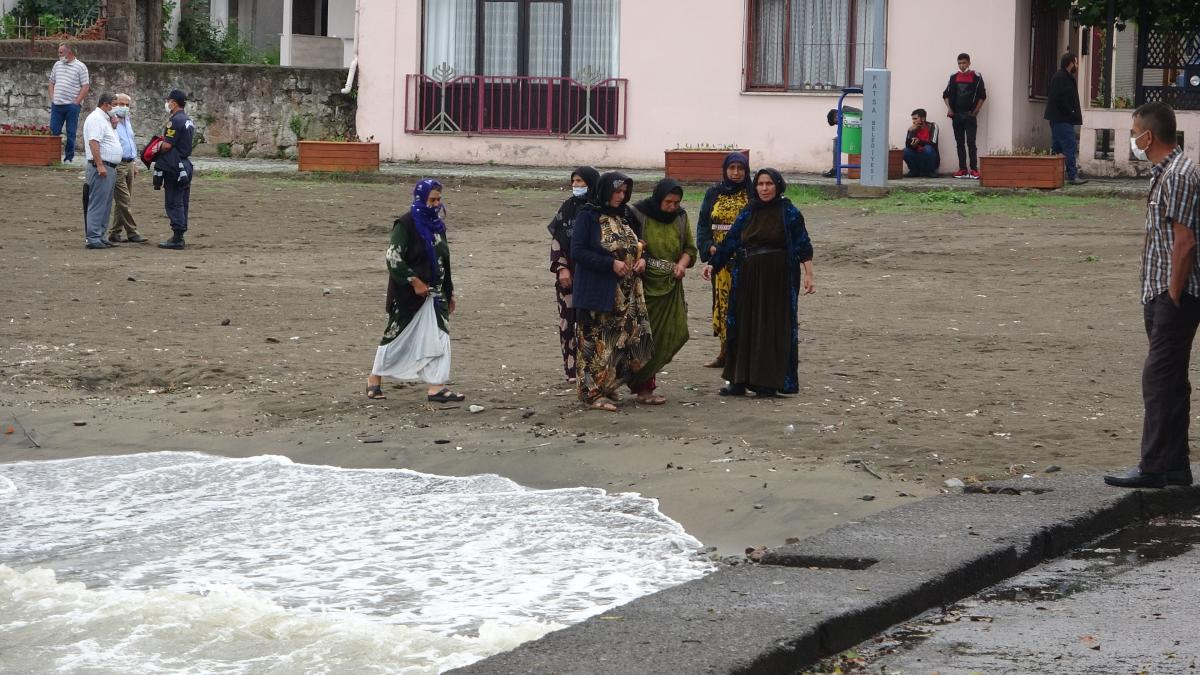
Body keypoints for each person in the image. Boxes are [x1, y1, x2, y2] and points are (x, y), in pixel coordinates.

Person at [1105, 103, 1200, 489]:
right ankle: (1174, 465)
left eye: (1135, 132)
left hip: (1173, 293)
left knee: (1158, 379)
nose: (1133, 139)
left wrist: (1173, 295)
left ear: (1150, 135)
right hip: (1160, 290)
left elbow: (1185, 241)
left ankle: (1155, 467)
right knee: (1170, 379)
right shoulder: (1165, 172)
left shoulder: (1177, 175)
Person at [703, 169, 814, 397]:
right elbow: (731, 240)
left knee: (770, 326)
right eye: (760, 184)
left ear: (778, 186)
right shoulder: (749, 211)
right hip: (747, 276)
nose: (764, 188)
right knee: (742, 324)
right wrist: (713, 263)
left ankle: (767, 383)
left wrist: (809, 276)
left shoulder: (788, 211)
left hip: (777, 278)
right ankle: (738, 380)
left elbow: (803, 244)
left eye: (769, 184)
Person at [367, 179, 464, 403]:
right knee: (396, 338)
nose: (436, 204)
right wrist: (414, 281)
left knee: (439, 337)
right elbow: (393, 257)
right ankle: (374, 378)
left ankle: (436, 387)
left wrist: (449, 292)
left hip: (436, 294)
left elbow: (443, 260)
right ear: (421, 198)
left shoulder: (436, 226)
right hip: (409, 295)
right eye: (432, 199)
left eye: (439, 199)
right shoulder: (406, 224)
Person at [570, 172, 653, 412]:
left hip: (627, 292)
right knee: (595, 342)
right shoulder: (588, 215)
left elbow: (638, 243)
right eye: (616, 192)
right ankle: (591, 393)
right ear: (605, 190)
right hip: (599, 290)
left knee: (622, 341)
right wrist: (610, 264)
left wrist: (642, 260)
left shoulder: (625, 215)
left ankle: (607, 385)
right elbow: (578, 251)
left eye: (624, 192)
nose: (620, 196)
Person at [628, 178, 697, 405]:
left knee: (672, 331)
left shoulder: (680, 217)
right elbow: (630, 245)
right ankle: (643, 387)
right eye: (668, 202)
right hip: (644, 285)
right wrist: (643, 260)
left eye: (676, 202)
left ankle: (644, 382)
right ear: (659, 198)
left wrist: (682, 264)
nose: (672, 207)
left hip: (671, 285)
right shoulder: (639, 214)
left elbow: (689, 248)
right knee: (644, 335)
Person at [696, 152, 751, 368]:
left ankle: (743, 354)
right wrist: (708, 245)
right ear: (725, 170)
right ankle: (725, 351)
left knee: (744, 305)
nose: (736, 173)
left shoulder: (752, 194)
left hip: (744, 259)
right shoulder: (713, 193)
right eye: (732, 168)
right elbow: (702, 224)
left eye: (740, 168)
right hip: (719, 259)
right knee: (722, 303)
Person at [548, 166, 601, 383]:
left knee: (593, 323)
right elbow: (557, 240)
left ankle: (593, 369)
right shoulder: (567, 208)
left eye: (581, 182)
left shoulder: (599, 210)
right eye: (574, 181)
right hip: (568, 277)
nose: (576, 186)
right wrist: (562, 268)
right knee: (568, 323)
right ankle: (571, 370)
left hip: (593, 276)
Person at [156, 89, 195, 250]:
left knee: (173, 200)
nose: (167, 104)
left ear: (174, 102)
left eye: (168, 101)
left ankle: (177, 236)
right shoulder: (187, 120)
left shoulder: (175, 121)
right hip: (185, 164)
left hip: (175, 165)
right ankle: (180, 232)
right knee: (182, 200)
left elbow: (167, 145)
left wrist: (154, 148)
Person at [82, 93, 122, 250]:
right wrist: (99, 164)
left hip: (109, 166)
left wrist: (114, 125)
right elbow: (94, 142)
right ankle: (93, 237)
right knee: (98, 202)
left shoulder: (105, 119)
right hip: (102, 166)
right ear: (106, 104)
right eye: (115, 104)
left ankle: (100, 235)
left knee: (105, 203)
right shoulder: (96, 119)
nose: (117, 107)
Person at [106, 94, 147, 243]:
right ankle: (132, 231)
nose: (124, 107)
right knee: (124, 199)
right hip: (118, 163)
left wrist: (134, 162)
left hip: (129, 163)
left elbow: (131, 142)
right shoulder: (110, 120)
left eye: (127, 105)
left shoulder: (127, 120)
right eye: (120, 104)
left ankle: (115, 232)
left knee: (122, 200)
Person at [1045, 52, 1088, 186]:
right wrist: (1071, 112)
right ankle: (1072, 175)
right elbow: (1059, 99)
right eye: (1075, 62)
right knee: (1069, 146)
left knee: (1057, 147)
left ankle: (1053, 174)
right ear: (1069, 63)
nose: (1077, 65)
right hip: (1062, 119)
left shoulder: (1066, 77)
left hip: (1062, 118)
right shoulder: (1060, 77)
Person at [942, 52, 986, 180]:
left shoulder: (976, 77)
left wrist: (975, 112)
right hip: (956, 116)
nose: (962, 65)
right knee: (959, 143)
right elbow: (945, 95)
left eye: (964, 63)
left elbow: (982, 96)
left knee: (971, 142)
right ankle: (962, 169)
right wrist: (950, 109)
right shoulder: (953, 77)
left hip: (970, 115)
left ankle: (973, 169)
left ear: (969, 63)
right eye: (959, 63)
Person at [48, 42, 90, 163]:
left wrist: (76, 102)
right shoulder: (57, 65)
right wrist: (52, 98)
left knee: (71, 133)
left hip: (72, 106)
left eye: (61, 52)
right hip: (57, 105)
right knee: (54, 132)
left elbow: (85, 86)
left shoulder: (81, 66)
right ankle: (53, 157)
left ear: (69, 52)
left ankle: (69, 158)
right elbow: (51, 82)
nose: (59, 54)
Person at [903, 109, 940, 178]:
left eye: (915, 118)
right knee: (905, 151)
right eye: (912, 119)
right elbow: (908, 146)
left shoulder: (933, 126)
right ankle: (914, 171)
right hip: (918, 158)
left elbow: (933, 144)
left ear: (923, 118)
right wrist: (909, 132)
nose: (913, 121)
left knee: (928, 148)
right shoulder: (913, 129)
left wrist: (919, 141)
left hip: (930, 159)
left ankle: (931, 171)